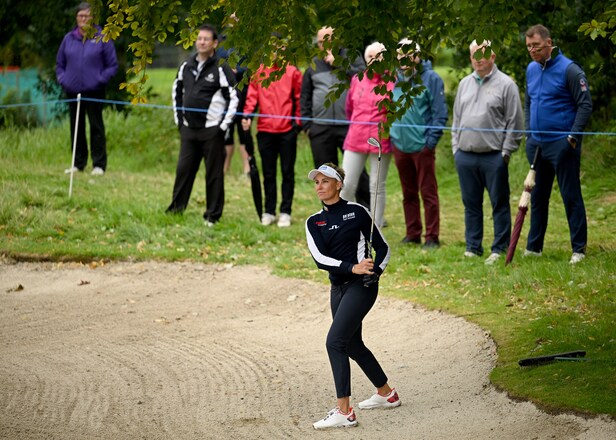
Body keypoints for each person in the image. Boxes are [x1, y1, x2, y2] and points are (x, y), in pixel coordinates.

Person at [305, 163, 401, 430]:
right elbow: (320, 259)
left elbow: (383, 248)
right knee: (350, 344)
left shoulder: (358, 212)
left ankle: (344, 411)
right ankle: (386, 393)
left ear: (339, 184)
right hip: (338, 287)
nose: (320, 186)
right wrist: (351, 267)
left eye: (326, 181)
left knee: (334, 342)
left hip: (362, 286)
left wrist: (376, 271)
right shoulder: (314, 222)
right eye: (317, 182)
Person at [523, 25, 593, 265]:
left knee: (570, 195)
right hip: (537, 144)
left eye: (536, 46)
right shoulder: (531, 69)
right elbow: (529, 103)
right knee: (538, 197)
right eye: (529, 46)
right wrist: (528, 136)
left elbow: (585, 105)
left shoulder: (569, 70)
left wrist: (572, 138)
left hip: (562, 144)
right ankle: (534, 247)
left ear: (549, 42)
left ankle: (579, 250)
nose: (532, 50)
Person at [452, 40, 523, 265]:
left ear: (492, 56)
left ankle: (499, 248)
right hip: (466, 154)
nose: (478, 58)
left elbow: (515, 122)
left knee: (499, 203)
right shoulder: (464, 83)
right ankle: (473, 246)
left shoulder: (506, 84)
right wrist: (456, 149)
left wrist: (505, 153)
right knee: (471, 204)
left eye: (483, 54)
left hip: (494, 156)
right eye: (474, 54)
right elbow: (456, 119)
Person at [166, 24, 239, 226]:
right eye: (199, 38)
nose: (202, 42)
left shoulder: (221, 67)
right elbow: (176, 93)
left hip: (212, 131)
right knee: (184, 170)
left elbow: (233, 97)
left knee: (214, 174)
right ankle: (176, 211)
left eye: (206, 39)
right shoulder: (186, 65)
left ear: (215, 43)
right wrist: (180, 122)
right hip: (189, 130)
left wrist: (222, 126)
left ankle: (212, 216)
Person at [300, 26, 370, 208]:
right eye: (321, 41)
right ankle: (330, 210)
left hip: (348, 125)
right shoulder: (313, 64)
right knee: (325, 174)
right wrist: (307, 125)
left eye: (329, 40)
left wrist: (339, 63)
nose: (325, 44)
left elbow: (364, 79)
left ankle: (367, 209)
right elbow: (305, 96)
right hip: (320, 127)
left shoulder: (352, 57)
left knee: (357, 172)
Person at [390, 39, 448, 249]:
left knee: (428, 192)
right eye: (401, 55)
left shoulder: (431, 78)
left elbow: (440, 114)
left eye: (409, 54)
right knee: (408, 193)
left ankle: (432, 237)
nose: (405, 59)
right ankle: (412, 233)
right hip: (400, 146)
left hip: (422, 146)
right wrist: (392, 135)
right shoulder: (394, 78)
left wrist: (429, 143)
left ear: (417, 56)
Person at [241, 37, 302, 228]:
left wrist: (298, 124)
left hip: (287, 131)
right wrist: (247, 116)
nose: (276, 51)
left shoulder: (292, 71)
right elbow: (251, 97)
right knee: (268, 173)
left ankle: (285, 211)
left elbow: (299, 98)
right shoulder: (259, 72)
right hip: (265, 130)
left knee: (287, 172)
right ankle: (269, 211)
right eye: (273, 47)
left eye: (280, 47)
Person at [56, 2, 118, 176]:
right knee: (76, 127)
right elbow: (60, 64)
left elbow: (112, 65)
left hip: (95, 90)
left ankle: (99, 165)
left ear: (93, 18)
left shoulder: (102, 37)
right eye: (80, 16)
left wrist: (100, 79)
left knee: (96, 126)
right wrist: (63, 79)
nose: (83, 19)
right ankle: (78, 164)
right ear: (76, 18)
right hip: (72, 90)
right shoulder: (69, 38)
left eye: (87, 16)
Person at [340, 42, 395, 229]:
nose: (375, 61)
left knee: (377, 187)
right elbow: (349, 108)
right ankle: (342, 224)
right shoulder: (357, 79)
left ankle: (375, 230)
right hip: (355, 138)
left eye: (379, 56)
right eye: (371, 57)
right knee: (346, 184)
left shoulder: (392, 81)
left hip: (381, 141)